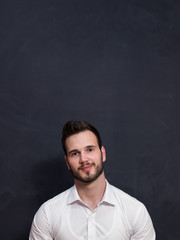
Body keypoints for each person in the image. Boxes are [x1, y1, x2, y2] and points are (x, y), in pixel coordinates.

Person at [29, 120, 156, 240]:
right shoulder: (48, 214)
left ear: (103, 153)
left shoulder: (135, 212)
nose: (83, 159)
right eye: (75, 153)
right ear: (67, 162)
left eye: (89, 149)